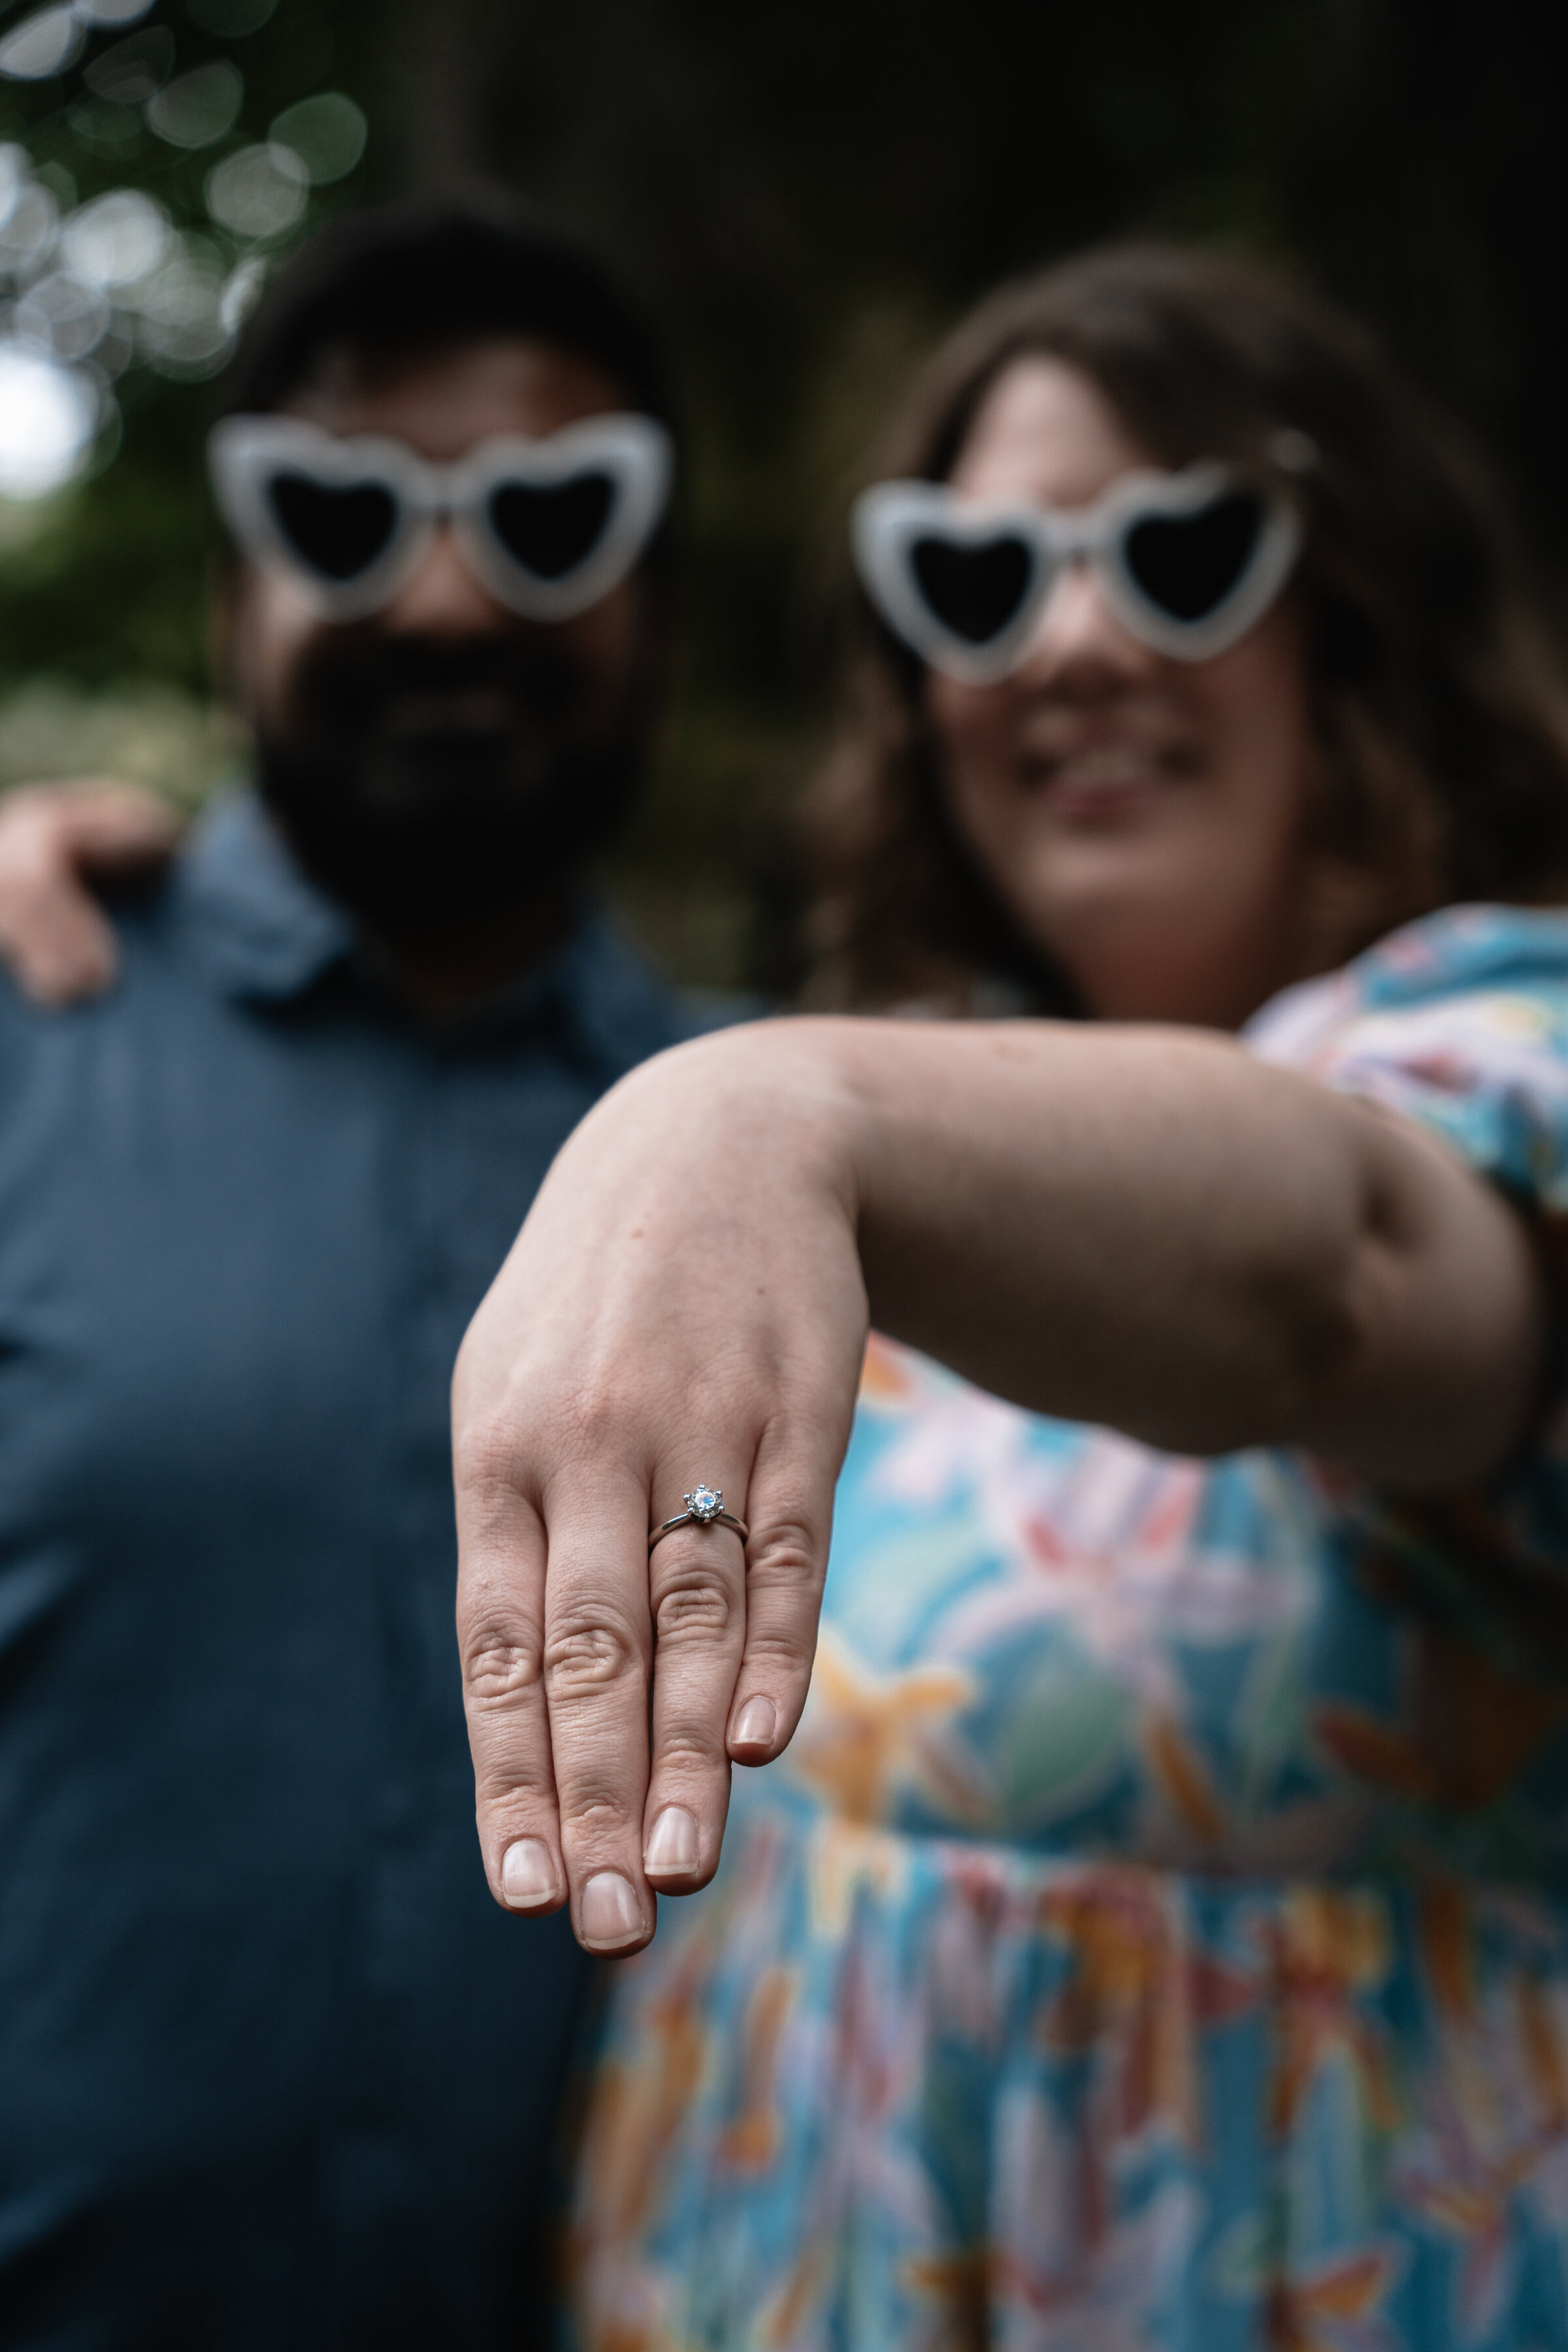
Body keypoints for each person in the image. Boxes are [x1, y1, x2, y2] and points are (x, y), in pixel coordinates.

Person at [442, 246, 1568, 2351]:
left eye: (1182, 552)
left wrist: (780, 1103)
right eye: (973, 579)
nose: (1067, 640)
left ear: (1368, 612)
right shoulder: (897, 1102)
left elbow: (1345, 1266)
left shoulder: (1523, 1047)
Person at [0, 192, 732, 2349]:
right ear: (235, 589)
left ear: (661, 610)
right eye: (339, 514)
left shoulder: (803, 1175)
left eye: (547, 521)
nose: (438, 596)